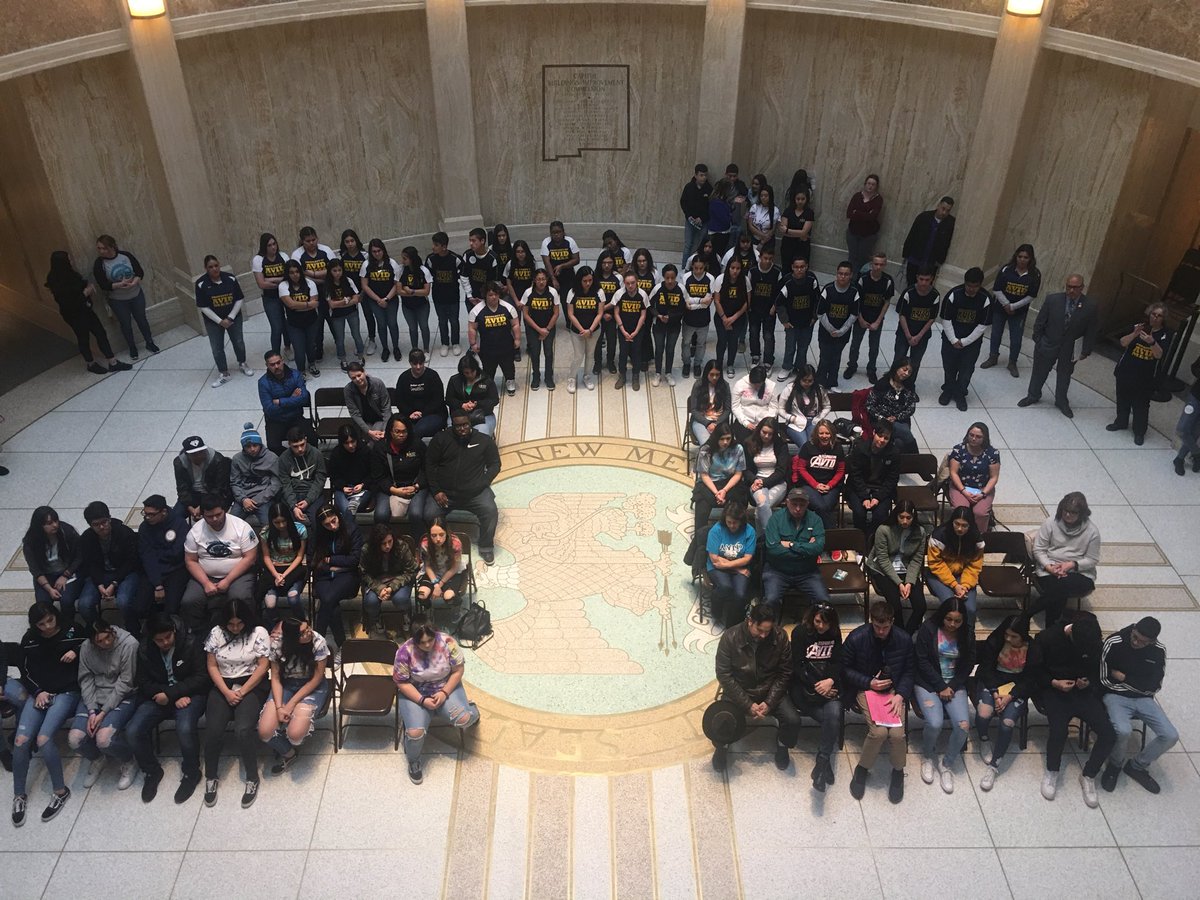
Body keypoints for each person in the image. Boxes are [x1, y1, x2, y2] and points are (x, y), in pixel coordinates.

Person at [1025, 614, 1115, 807]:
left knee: (1108, 734)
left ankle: (1089, 775)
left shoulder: (1093, 640)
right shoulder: (1046, 638)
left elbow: (1097, 670)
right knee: (1059, 731)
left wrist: (1089, 681)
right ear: (1071, 631)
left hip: (1082, 692)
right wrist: (1053, 682)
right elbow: (1033, 670)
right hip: (1054, 690)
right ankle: (1052, 771)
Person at [7, 603, 84, 826]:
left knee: (43, 739)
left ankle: (60, 791)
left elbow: (91, 646)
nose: (48, 627)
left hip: (66, 692)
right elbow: (26, 671)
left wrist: (76, 651)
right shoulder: (29, 639)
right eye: (41, 624)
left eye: (50, 620)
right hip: (39, 693)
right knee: (21, 741)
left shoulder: (73, 630)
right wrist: (38, 692)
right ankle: (19, 794)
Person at [127, 614, 209, 803]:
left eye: (168, 637)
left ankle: (191, 772)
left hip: (190, 694)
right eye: (159, 640)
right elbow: (142, 681)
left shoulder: (191, 642)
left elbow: (201, 678)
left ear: (174, 631)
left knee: (185, 728)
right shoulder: (145, 648)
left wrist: (173, 694)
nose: (164, 643)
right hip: (158, 696)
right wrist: (167, 694)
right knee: (133, 731)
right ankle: (151, 771)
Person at [707, 602, 798, 772]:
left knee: (792, 720)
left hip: (770, 689)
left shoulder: (780, 637)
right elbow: (724, 675)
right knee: (721, 718)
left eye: (767, 631)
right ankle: (722, 748)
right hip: (740, 690)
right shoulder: (730, 637)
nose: (764, 635)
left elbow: (785, 673)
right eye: (760, 630)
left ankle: (782, 745)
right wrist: (747, 704)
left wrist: (769, 702)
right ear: (750, 621)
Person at [392, 618, 481, 784]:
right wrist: (422, 700)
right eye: (422, 642)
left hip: (445, 686)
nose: (427, 645)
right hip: (415, 691)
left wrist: (444, 692)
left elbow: (458, 670)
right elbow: (401, 682)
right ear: (414, 640)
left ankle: (473, 710)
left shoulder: (448, 643)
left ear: (436, 634)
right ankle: (414, 761)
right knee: (415, 733)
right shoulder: (405, 651)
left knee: (463, 719)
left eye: (430, 640)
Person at [202, 598, 271, 809]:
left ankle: (252, 777)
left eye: (239, 624)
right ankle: (211, 777)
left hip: (251, 683)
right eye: (230, 624)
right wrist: (226, 691)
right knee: (212, 730)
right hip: (223, 684)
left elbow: (262, 666)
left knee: (243, 729)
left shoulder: (258, 632)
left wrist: (241, 691)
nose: (234, 628)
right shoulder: (216, 633)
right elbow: (212, 665)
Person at [844, 600, 915, 804]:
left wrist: (901, 694)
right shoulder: (857, 637)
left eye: (885, 627)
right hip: (866, 688)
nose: (881, 631)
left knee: (898, 735)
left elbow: (910, 671)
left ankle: (898, 771)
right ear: (871, 622)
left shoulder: (903, 639)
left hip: (894, 690)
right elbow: (845, 669)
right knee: (878, 732)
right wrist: (869, 682)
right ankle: (862, 769)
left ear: (892, 622)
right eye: (877, 626)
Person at [1100, 616, 1177, 794]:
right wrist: (1139, 684)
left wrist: (1125, 678)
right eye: (1134, 637)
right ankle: (1115, 765)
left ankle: (1137, 765)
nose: (1136, 642)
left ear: (1152, 641)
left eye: (1142, 642)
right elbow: (1105, 680)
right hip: (1115, 696)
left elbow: (1154, 686)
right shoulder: (1114, 641)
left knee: (1170, 735)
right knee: (1123, 730)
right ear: (1133, 628)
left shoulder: (1158, 651)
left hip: (1143, 699)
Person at [67, 621, 140, 792]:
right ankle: (97, 759)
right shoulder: (86, 647)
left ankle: (129, 761)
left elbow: (126, 682)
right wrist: (92, 710)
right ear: (92, 642)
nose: (106, 643)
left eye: (108, 637)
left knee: (104, 739)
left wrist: (103, 712)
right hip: (94, 696)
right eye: (99, 641)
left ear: (112, 630)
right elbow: (85, 679)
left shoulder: (130, 644)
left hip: (122, 695)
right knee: (75, 739)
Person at [913, 597, 974, 794]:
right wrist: (940, 685)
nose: (952, 625)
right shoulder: (928, 629)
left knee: (963, 725)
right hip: (928, 682)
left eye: (957, 621)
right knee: (935, 723)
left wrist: (952, 686)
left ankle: (947, 764)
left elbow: (967, 665)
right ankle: (928, 756)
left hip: (954, 684)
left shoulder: (967, 634)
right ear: (942, 616)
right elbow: (921, 661)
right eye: (949, 619)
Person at [1017, 273, 1099, 417]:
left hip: (1070, 349)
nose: (1071, 290)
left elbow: (1091, 330)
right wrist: (1038, 339)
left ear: (1082, 288)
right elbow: (1040, 322)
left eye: (1075, 287)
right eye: (1069, 287)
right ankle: (1033, 395)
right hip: (1048, 343)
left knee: (1064, 376)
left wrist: (1086, 350)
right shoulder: (1053, 300)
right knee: (1039, 372)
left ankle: (1061, 401)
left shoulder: (1090, 306)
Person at [425, 414, 502, 565]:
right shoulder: (441, 439)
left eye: (465, 425)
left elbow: (495, 464)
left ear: (470, 423)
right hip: (445, 494)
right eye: (458, 426)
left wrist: (483, 482)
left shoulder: (484, 441)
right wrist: (436, 491)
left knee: (490, 511)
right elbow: (430, 465)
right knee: (429, 514)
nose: (462, 429)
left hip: (474, 494)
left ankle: (486, 546)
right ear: (452, 425)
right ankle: (437, 547)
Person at [258, 617, 330, 774]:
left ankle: (288, 736)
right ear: (292, 638)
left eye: (308, 627)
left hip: (311, 685)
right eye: (303, 633)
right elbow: (275, 677)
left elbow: (317, 678)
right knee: (265, 731)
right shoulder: (278, 644)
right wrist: (279, 707)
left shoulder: (318, 641)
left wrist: (290, 705)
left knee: (295, 735)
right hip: (286, 684)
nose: (309, 632)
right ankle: (289, 753)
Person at [180, 494, 259, 635]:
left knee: (240, 597)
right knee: (189, 601)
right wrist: (205, 583)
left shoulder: (241, 527)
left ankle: (246, 632)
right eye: (210, 516)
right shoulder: (195, 531)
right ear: (203, 515)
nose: (215, 519)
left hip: (237, 575)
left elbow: (250, 558)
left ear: (225, 511)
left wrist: (227, 580)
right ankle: (199, 635)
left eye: (218, 514)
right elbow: (190, 560)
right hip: (205, 576)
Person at [44, 250, 131, 374]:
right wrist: (85, 292)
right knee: (83, 338)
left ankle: (112, 361)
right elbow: (68, 302)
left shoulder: (70, 273)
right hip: (74, 315)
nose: (72, 261)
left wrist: (86, 288)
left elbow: (78, 285)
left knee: (100, 332)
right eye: (69, 260)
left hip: (85, 310)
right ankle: (90, 363)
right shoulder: (56, 281)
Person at [974, 615, 1032, 791]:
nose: (1008, 639)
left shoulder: (1033, 648)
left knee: (1007, 723)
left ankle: (994, 766)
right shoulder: (996, 642)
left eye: (1014, 636)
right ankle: (984, 739)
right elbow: (985, 669)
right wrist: (995, 693)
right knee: (984, 713)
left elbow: (1031, 679)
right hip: (992, 684)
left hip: (1016, 690)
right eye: (1007, 634)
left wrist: (1010, 696)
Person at [790, 603, 843, 791]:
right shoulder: (800, 633)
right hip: (804, 689)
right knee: (832, 721)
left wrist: (830, 680)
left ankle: (821, 761)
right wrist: (818, 686)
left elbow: (837, 661)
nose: (821, 626)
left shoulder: (834, 633)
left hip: (828, 687)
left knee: (834, 714)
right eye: (818, 621)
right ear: (812, 618)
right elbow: (797, 666)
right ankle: (825, 762)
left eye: (826, 623)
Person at [1030, 491, 1101, 626]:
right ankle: (1052, 625)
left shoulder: (1092, 532)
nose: (1068, 515)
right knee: (1060, 588)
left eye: (1073, 513)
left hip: (1079, 572)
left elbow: (1092, 559)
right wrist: (1049, 566)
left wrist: (1072, 565)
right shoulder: (1050, 523)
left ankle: (1029, 614)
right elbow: (1039, 549)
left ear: (1081, 514)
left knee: (1060, 587)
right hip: (1050, 567)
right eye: (1065, 511)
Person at [1107, 302, 1171, 445]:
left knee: (1141, 406)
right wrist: (1134, 333)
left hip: (1145, 379)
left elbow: (1159, 355)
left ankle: (1139, 432)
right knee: (1122, 399)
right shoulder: (1139, 326)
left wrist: (1152, 342)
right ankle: (1121, 422)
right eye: (1153, 314)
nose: (1155, 318)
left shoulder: (1165, 335)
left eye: (1159, 316)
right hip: (1125, 372)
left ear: (1163, 319)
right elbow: (1123, 342)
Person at [77, 501, 142, 636]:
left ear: (109, 518)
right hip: (100, 574)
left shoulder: (124, 533)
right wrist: (99, 584)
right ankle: (100, 632)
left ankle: (134, 631)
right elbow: (90, 564)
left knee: (123, 601)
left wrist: (114, 583)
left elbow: (131, 562)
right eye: (96, 525)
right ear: (90, 525)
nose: (102, 527)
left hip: (125, 573)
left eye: (104, 522)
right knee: (84, 604)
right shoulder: (87, 538)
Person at [865, 500, 928, 634]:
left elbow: (917, 560)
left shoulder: (920, 532)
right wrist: (900, 583)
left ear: (913, 517)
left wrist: (909, 582)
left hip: (907, 568)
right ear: (896, 516)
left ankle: (906, 634)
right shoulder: (883, 529)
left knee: (921, 606)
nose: (905, 521)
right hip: (882, 569)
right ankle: (899, 633)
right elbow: (882, 559)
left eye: (908, 518)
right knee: (895, 606)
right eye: (901, 517)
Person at [92, 234, 159, 359]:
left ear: (112, 247)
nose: (101, 251)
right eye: (99, 248)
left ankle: (149, 342)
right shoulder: (99, 263)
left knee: (142, 319)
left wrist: (134, 281)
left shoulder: (125, 256)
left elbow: (139, 271)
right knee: (125, 324)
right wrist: (118, 285)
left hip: (135, 294)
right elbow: (103, 284)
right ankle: (132, 347)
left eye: (104, 248)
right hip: (118, 300)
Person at [762, 489, 830, 607]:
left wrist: (791, 545)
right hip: (778, 570)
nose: (798, 508)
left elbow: (818, 548)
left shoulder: (815, 520)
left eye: (802, 505)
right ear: (787, 502)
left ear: (807, 504)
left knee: (823, 601)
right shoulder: (775, 519)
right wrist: (806, 549)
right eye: (794, 504)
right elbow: (773, 549)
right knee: (770, 600)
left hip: (807, 571)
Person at [982, 244, 1042, 377]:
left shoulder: (1035, 274)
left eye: (1026, 257)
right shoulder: (1006, 269)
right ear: (1016, 256)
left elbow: (1031, 295)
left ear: (1030, 259)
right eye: (1020, 256)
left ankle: (1012, 362)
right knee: (996, 334)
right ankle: (993, 357)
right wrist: (1006, 304)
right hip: (1000, 309)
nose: (1022, 260)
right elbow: (997, 289)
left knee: (1016, 338)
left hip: (1019, 312)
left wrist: (1014, 307)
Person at [194, 254, 253, 388]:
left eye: (216, 266)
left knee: (238, 342)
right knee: (217, 348)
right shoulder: (201, 284)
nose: (214, 269)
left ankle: (242, 363)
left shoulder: (230, 279)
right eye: (210, 267)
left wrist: (230, 317)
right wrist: (220, 321)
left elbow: (239, 299)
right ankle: (224, 373)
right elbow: (203, 306)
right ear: (206, 269)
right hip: (213, 322)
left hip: (234, 318)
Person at [938, 267, 992, 412]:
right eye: (969, 285)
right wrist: (954, 340)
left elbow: (983, 325)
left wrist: (965, 341)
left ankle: (960, 393)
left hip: (972, 343)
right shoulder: (954, 294)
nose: (971, 289)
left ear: (980, 285)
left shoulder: (985, 299)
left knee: (966, 370)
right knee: (949, 367)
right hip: (950, 340)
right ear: (965, 283)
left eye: (975, 286)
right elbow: (946, 319)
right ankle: (948, 389)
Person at [310, 506, 363, 650]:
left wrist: (330, 560)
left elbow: (354, 560)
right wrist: (330, 566)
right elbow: (314, 561)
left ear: (338, 515)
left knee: (327, 600)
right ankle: (342, 646)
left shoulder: (352, 529)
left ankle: (316, 642)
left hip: (348, 576)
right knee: (332, 606)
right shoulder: (319, 534)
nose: (332, 526)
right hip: (324, 576)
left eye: (334, 521)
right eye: (327, 524)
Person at [22, 506, 84, 624]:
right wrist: (49, 589)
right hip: (46, 576)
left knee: (66, 600)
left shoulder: (67, 531)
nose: (55, 525)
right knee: (42, 605)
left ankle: (68, 625)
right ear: (39, 526)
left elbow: (80, 556)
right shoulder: (30, 543)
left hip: (68, 572)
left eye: (56, 521)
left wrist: (66, 575)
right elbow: (35, 570)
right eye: (49, 523)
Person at [360, 525, 419, 638]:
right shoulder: (367, 550)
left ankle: (406, 616)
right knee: (371, 602)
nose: (387, 546)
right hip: (376, 581)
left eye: (390, 541)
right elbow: (363, 573)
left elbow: (411, 571)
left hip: (398, 578)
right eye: (383, 543)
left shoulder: (401, 546)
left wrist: (392, 587)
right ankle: (376, 620)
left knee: (400, 599)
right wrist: (379, 588)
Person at [925, 507, 984, 619]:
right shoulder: (939, 535)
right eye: (956, 524)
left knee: (970, 610)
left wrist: (965, 585)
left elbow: (974, 566)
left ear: (970, 525)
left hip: (963, 576)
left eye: (964, 525)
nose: (959, 528)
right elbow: (935, 563)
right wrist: (954, 585)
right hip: (938, 576)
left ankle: (969, 635)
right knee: (951, 607)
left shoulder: (977, 540)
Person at [845, 252, 894, 383]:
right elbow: (857, 300)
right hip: (861, 317)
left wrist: (878, 321)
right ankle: (852, 366)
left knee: (874, 346)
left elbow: (887, 302)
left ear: (885, 265)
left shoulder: (888, 281)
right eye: (876, 264)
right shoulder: (862, 278)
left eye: (881, 264)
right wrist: (860, 319)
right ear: (871, 264)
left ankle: (871, 370)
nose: (878, 267)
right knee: (855, 344)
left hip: (876, 318)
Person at [136, 494, 189, 618]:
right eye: (145, 513)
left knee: (171, 608)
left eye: (152, 514)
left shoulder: (179, 524)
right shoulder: (144, 527)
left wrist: (156, 554)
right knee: (139, 608)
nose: (147, 517)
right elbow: (146, 556)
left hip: (175, 569)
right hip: (153, 570)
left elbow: (177, 553)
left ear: (163, 512)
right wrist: (157, 584)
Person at [705, 504, 757, 628]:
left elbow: (748, 558)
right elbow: (715, 559)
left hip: (736, 566)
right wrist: (737, 568)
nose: (732, 525)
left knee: (740, 595)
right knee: (725, 587)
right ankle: (716, 610)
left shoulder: (749, 531)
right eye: (729, 522)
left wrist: (728, 564)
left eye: (735, 522)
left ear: (741, 521)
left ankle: (731, 626)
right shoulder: (716, 530)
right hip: (721, 568)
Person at [370, 414, 428, 524]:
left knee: (416, 514)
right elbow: (378, 476)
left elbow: (427, 469)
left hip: (415, 485)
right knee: (380, 515)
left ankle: (418, 540)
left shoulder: (417, 444)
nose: (401, 435)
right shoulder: (380, 448)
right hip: (390, 487)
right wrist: (394, 490)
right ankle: (384, 540)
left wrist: (416, 486)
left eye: (404, 431)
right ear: (390, 431)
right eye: (397, 431)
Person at [258, 501, 308, 625]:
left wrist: (284, 575)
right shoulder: (266, 532)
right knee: (269, 603)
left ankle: (302, 622)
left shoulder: (300, 529)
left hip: (293, 569)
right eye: (276, 522)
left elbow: (300, 556)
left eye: (283, 521)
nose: (281, 525)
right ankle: (276, 625)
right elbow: (266, 557)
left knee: (293, 598)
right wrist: (276, 575)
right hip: (273, 570)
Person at [693, 423, 746, 536]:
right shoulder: (706, 450)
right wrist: (717, 493)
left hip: (729, 482)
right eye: (722, 439)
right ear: (716, 438)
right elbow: (704, 475)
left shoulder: (738, 449)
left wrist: (725, 490)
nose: (725, 442)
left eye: (728, 438)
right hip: (710, 483)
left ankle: (737, 532)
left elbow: (738, 474)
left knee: (741, 499)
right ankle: (700, 537)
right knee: (702, 505)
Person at [846, 421, 899, 534]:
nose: (882, 440)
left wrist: (878, 497)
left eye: (886, 438)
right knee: (859, 513)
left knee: (880, 516)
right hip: (859, 487)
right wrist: (864, 497)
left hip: (881, 488)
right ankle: (859, 539)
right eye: (880, 436)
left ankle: (873, 539)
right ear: (874, 433)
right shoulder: (860, 448)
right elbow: (855, 475)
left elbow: (892, 479)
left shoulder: (894, 453)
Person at [468, 282, 520, 396]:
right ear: (485, 296)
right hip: (487, 348)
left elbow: (515, 324)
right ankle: (488, 386)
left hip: (506, 345)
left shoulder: (508, 308)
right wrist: (473, 344)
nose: (494, 297)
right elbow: (472, 328)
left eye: (496, 294)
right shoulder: (476, 311)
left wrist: (517, 339)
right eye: (490, 295)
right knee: (488, 369)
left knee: (509, 367)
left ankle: (510, 382)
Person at [947, 422, 1001, 533]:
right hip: (961, 486)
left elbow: (993, 478)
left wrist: (983, 494)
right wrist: (963, 491)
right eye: (971, 435)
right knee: (961, 511)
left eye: (978, 436)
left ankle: (979, 537)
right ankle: (957, 534)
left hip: (983, 488)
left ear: (984, 438)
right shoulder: (959, 450)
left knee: (980, 513)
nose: (973, 439)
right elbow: (953, 473)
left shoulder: (992, 453)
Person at [790, 419, 844, 528]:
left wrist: (830, 485)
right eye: (821, 433)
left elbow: (840, 471)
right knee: (821, 507)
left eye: (827, 433)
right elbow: (801, 468)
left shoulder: (838, 448)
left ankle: (813, 531)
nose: (824, 436)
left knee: (826, 506)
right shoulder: (808, 447)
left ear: (832, 434)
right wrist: (816, 485)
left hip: (830, 486)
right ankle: (833, 535)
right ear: (817, 434)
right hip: (810, 485)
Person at [259, 349, 314, 454]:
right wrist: (293, 398)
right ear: (267, 365)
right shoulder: (263, 383)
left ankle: (308, 457)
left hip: (295, 417)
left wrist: (280, 402)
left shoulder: (296, 375)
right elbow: (269, 409)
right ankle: (291, 457)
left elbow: (304, 398)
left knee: (312, 438)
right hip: (276, 420)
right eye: (272, 364)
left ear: (282, 361)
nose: (276, 366)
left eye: (278, 363)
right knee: (273, 446)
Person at [775, 258, 821, 380]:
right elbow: (779, 303)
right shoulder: (787, 281)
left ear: (806, 266)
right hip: (791, 323)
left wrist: (814, 316)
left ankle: (800, 367)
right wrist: (784, 320)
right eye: (797, 267)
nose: (799, 269)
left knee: (803, 346)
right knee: (790, 346)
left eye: (802, 266)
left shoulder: (812, 279)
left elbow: (818, 299)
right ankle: (786, 367)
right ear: (792, 267)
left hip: (808, 322)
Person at [815, 262, 859, 389]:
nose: (843, 277)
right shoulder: (828, 289)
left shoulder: (854, 292)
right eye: (840, 274)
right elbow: (820, 312)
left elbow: (854, 314)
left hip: (842, 334)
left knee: (836, 358)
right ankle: (820, 382)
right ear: (836, 274)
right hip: (825, 332)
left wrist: (841, 331)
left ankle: (832, 382)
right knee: (824, 357)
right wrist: (831, 329)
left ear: (850, 275)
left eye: (846, 274)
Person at [892, 266, 940, 381]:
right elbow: (902, 315)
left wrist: (918, 336)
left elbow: (932, 318)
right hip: (904, 334)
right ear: (917, 278)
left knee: (915, 362)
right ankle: (893, 383)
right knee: (899, 359)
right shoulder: (908, 292)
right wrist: (909, 335)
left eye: (927, 280)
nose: (924, 283)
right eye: (921, 279)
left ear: (932, 279)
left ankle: (909, 385)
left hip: (922, 336)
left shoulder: (935, 295)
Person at [229, 423, 279, 529]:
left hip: (264, 498)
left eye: (255, 445)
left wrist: (258, 499)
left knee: (269, 526)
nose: (252, 449)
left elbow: (276, 483)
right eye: (248, 446)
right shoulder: (237, 459)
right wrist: (243, 499)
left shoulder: (271, 458)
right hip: (243, 499)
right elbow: (234, 482)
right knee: (230, 523)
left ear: (260, 444)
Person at [565, 266, 607, 392]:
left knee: (590, 355)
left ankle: (587, 376)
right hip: (577, 331)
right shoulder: (572, 292)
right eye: (585, 281)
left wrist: (590, 330)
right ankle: (572, 378)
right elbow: (570, 314)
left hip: (594, 330)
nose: (588, 283)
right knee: (578, 356)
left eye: (590, 280)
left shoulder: (599, 292)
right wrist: (582, 330)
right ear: (579, 280)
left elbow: (600, 313)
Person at [744, 417, 790, 531]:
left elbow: (781, 471)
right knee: (763, 504)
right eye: (764, 432)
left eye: (770, 434)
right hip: (756, 481)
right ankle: (772, 539)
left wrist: (763, 482)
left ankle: (762, 542)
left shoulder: (781, 445)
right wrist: (756, 480)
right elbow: (746, 469)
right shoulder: (749, 443)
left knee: (761, 508)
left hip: (777, 482)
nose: (766, 436)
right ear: (759, 430)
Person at [172, 435, 233, 522]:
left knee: (214, 518)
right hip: (191, 496)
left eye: (201, 452)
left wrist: (201, 507)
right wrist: (190, 507)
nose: (198, 456)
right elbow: (182, 489)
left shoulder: (217, 460)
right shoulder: (179, 463)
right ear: (187, 454)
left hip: (212, 494)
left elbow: (220, 488)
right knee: (174, 517)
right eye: (194, 454)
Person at [279, 259, 323, 378]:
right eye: (291, 272)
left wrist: (299, 307)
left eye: (297, 272)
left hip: (311, 321)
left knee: (310, 345)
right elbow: (291, 305)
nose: (295, 275)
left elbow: (315, 302)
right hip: (294, 324)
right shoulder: (283, 286)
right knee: (299, 348)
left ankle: (312, 364)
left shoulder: (310, 283)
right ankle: (301, 371)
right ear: (287, 274)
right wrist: (308, 305)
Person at [865, 358, 919, 454]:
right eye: (904, 369)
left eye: (909, 372)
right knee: (905, 432)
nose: (906, 373)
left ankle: (905, 463)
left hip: (900, 420)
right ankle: (916, 456)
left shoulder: (909, 386)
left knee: (899, 443)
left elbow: (911, 408)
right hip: (880, 420)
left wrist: (896, 417)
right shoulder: (882, 384)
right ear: (897, 368)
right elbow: (869, 405)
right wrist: (883, 418)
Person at [251, 232, 291, 359]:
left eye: (274, 244)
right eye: (269, 245)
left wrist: (271, 280)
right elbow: (261, 284)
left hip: (285, 295)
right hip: (270, 298)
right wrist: (280, 281)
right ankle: (275, 355)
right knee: (276, 327)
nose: (273, 247)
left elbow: (289, 277)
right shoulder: (258, 260)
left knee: (288, 324)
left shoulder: (283, 256)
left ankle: (288, 347)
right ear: (264, 247)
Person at [416, 518, 469, 612]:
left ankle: (457, 609)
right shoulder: (425, 544)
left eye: (441, 534)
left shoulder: (455, 543)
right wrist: (435, 584)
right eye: (434, 535)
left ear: (447, 533)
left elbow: (455, 567)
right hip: (433, 571)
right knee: (421, 595)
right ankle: (428, 609)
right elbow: (427, 566)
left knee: (448, 596)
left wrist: (440, 584)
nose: (438, 539)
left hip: (451, 571)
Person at [361, 238, 401, 362]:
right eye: (374, 251)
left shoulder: (392, 263)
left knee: (392, 323)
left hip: (391, 299)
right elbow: (365, 285)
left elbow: (397, 284)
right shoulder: (366, 265)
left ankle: (396, 347)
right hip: (374, 300)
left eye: (379, 250)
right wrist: (379, 300)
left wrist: (387, 299)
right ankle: (385, 348)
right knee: (382, 324)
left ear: (383, 250)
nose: (377, 253)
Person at [521, 268, 561, 391]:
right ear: (534, 280)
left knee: (548, 353)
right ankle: (536, 376)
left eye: (543, 279)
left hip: (549, 327)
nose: (541, 282)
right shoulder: (528, 292)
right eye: (538, 279)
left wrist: (547, 329)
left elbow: (556, 313)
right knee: (535, 352)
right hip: (533, 328)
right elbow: (525, 314)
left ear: (547, 280)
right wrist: (539, 330)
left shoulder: (552, 292)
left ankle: (549, 377)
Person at [394, 349, 447, 441]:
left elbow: (438, 400)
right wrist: (410, 413)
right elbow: (399, 400)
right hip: (410, 414)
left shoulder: (433, 376)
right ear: (410, 363)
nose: (418, 367)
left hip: (433, 414)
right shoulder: (403, 378)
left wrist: (422, 413)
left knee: (416, 431)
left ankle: (416, 451)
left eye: (421, 363)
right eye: (415, 364)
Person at [901, 196, 955, 286]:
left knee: (926, 287)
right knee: (911, 283)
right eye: (943, 209)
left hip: (932, 262)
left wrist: (940, 259)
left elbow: (947, 243)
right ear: (938, 206)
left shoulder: (950, 223)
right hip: (915, 257)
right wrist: (906, 254)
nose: (944, 212)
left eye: (948, 210)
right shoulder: (924, 217)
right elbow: (912, 235)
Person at [278, 427, 326, 526]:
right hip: (293, 494)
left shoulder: (316, 454)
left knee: (316, 521)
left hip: (313, 493)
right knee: (291, 523)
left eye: (302, 445)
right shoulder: (283, 459)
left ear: (306, 440)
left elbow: (319, 481)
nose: (300, 449)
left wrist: (308, 500)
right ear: (289, 444)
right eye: (295, 446)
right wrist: (293, 506)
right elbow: (285, 485)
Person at [649, 263, 687, 386]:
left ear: (676, 277)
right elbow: (649, 305)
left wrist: (671, 317)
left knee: (670, 349)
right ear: (663, 277)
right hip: (659, 324)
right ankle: (658, 372)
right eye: (667, 278)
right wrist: (658, 315)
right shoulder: (657, 288)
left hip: (674, 325)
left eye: (672, 278)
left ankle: (669, 372)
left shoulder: (681, 289)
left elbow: (684, 309)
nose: (670, 281)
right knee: (659, 348)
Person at [426, 231, 463, 355]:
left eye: (436, 245)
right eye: (433, 244)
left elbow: (462, 276)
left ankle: (456, 342)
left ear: (444, 246)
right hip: (438, 296)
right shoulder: (430, 259)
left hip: (453, 296)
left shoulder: (456, 259)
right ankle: (445, 343)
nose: (433, 247)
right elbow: (428, 277)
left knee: (454, 320)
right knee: (442, 321)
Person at [324, 259, 365, 370]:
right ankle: (343, 359)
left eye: (339, 270)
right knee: (340, 339)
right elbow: (332, 305)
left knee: (356, 335)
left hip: (352, 313)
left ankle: (361, 357)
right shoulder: (327, 284)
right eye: (334, 270)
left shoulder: (348, 280)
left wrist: (342, 303)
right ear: (330, 271)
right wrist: (345, 301)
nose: (337, 273)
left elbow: (356, 299)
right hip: (337, 316)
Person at [445, 352, 499, 437]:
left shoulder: (487, 380)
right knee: (451, 436)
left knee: (481, 437)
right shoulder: (454, 381)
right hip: (459, 416)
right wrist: (462, 405)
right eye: (466, 373)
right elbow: (449, 399)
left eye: (472, 372)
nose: (470, 375)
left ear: (476, 369)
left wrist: (477, 404)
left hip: (482, 416)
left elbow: (494, 400)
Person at [712, 256, 750, 378]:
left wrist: (733, 318)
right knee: (722, 341)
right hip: (721, 317)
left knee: (733, 341)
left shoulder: (745, 280)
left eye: (738, 268)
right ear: (728, 268)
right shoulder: (720, 279)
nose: (735, 271)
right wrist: (724, 319)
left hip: (738, 318)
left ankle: (730, 365)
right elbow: (716, 301)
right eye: (732, 268)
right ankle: (718, 364)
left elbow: (747, 302)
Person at [680, 256, 717, 378]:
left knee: (701, 343)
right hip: (688, 319)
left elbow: (708, 303)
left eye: (701, 268)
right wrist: (700, 300)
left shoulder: (710, 278)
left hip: (703, 320)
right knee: (686, 343)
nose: (698, 271)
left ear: (704, 267)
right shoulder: (686, 277)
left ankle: (697, 365)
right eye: (696, 268)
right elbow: (686, 299)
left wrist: (693, 305)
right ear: (692, 267)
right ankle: (686, 364)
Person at [775, 364, 829, 447]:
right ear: (799, 379)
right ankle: (801, 460)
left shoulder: (819, 390)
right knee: (804, 445)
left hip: (814, 422)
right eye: (804, 380)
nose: (807, 383)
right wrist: (791, 418)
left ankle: (804, 459)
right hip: (795, 423)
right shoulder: (789, 389)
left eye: (810, 381)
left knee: (813, 444)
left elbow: (827, 406)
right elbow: (780, 409)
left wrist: (819, 418)